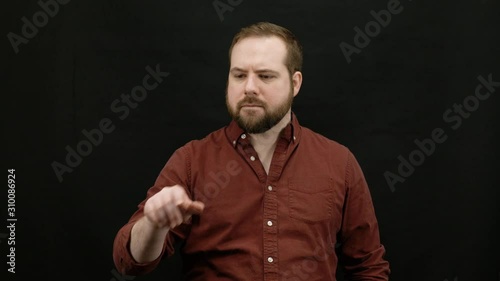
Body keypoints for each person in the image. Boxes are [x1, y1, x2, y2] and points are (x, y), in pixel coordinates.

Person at [113, 21, 390, 280]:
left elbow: (369, 267)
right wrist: (153, 225)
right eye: (239, 75)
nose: (249, 88)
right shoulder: (191, 161)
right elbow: (129, 262)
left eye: (265, 76)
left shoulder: (339, 163)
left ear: (295, 83)